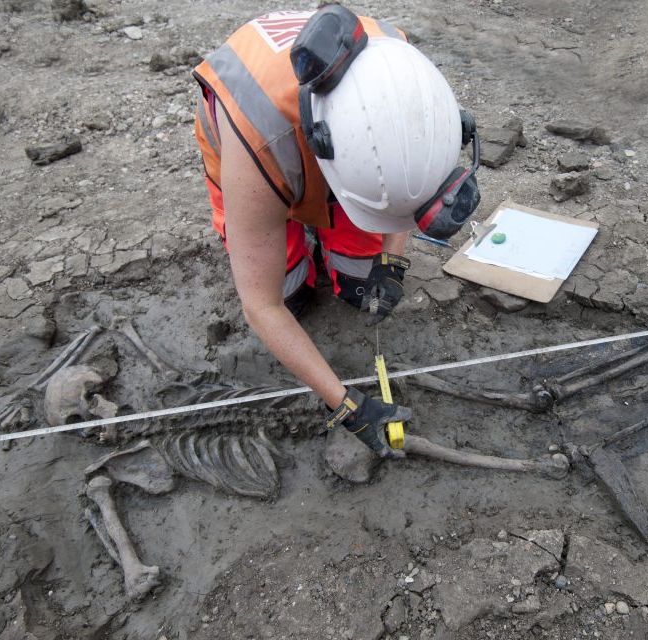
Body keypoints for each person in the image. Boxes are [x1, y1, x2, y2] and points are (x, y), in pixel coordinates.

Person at [192, 5, 481, 458]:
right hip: (257, 145)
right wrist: (345, 404)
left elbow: (406, 193)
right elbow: (261, 306)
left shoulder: (404, 79)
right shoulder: (258, 140)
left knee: (360, 282)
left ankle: (335, 247)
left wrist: (393, 261)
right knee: (287, 295)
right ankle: (300, 243)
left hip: (345, 156)